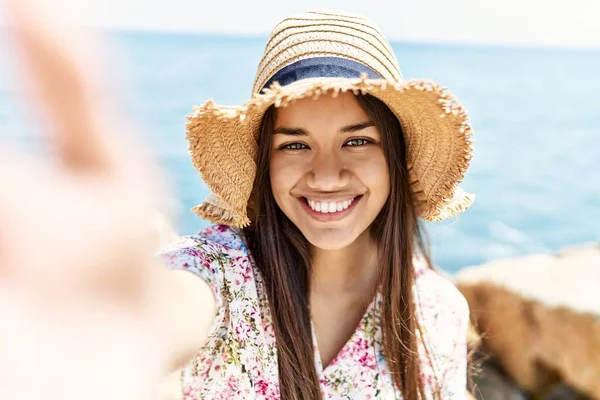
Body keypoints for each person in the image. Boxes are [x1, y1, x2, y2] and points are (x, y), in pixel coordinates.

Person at [0, 3, 474, 400]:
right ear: (264, 164)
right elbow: (169, 309)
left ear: (394, 156)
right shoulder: (222, 277)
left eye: (357, 142)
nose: (327, 174)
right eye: (294, 144)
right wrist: (108, 320)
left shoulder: (436, 312)